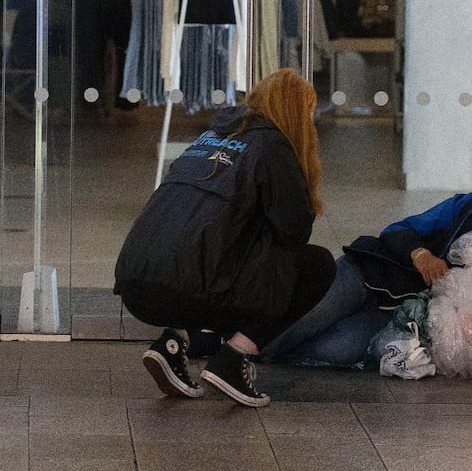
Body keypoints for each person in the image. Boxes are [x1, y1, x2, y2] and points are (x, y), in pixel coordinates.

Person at [114, 69, 336, 407]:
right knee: (315, 264)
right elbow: (294, 230)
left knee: (211, 254)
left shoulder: (210, 137)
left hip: (136, 284)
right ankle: (234, 359)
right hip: (185, 289)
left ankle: (172, 345)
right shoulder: (274, 145)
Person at [260, 191, 472, 368]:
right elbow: (397, 229)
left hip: (393, 317)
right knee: (306, 318)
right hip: (370, 273)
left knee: (340, 349)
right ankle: (239, 348)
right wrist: (420, 254)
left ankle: (261, 351)